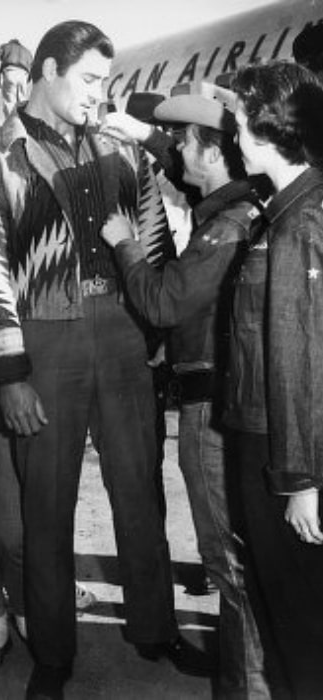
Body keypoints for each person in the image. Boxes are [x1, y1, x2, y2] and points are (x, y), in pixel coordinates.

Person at [0, 20, 209, 700]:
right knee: (46, 507)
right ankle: (54, 654)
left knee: (140, 495)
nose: (100, 94)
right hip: (42, 338)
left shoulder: (123, 151)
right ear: (46, 72)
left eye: (105, 80)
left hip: (122, 335)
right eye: (89, 79)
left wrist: (152, 337)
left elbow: (153, 245)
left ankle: (154, 629)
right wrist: (10, 372)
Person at [100, 90, 269, 698]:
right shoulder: (242, 205)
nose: (175, 151)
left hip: (210, 403)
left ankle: (245, 686)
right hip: (232, 398)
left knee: (228, 562)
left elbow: (165, 301)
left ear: (215, 153)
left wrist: (124, 242)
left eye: (186, 142)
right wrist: (140, 135)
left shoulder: (224, 226)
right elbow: (173, 165)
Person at [0, 38, 97, 674]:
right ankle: (5, 627)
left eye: (19, 73)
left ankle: (32, 618)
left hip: (4, 374)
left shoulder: (40, 145)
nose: (13, 83)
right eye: (6, 74)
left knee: (24, 523)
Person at [224, 60, 323, 699]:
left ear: (265, 129)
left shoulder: (298, 226)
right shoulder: (288, 210)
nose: (233, 137)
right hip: (279, 441)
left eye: (237, 123)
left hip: (280, 451)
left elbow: (298, 355)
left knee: (298, 629)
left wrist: (300, 482)